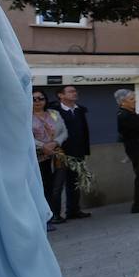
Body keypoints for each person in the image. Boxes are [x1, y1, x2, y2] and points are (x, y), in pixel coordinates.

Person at [0, 0, 100, 277]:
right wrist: (43, 145)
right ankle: (58, 212)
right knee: (51, 190)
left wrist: (54, 143)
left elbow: (16, 89)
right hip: (36, 155)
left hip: (41, 156)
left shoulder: (60, 114)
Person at [48, 85, 92, 219]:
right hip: (60, 152)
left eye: (75, 91)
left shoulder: (79, 110)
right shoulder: (54, 112)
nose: (75, 93)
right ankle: (54, 214)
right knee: (57, 184)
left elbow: (84, 131)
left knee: (75, 182)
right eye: (70, 91)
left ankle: (73, 210)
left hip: (77, 152)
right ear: (61, 95)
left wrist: (85, 150)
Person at [32, 89, 68, 229]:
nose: (38, 101)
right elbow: (27, 137)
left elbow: (64, 131)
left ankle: (57, 214)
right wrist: (43, 146)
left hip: (57, 154)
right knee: (44, 187)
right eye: (34, 99)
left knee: (57, 186)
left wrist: (55, 143)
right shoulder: (26, 117)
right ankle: (46, 217)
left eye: (41, 98)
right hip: (39, 157)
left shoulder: (54, 113)